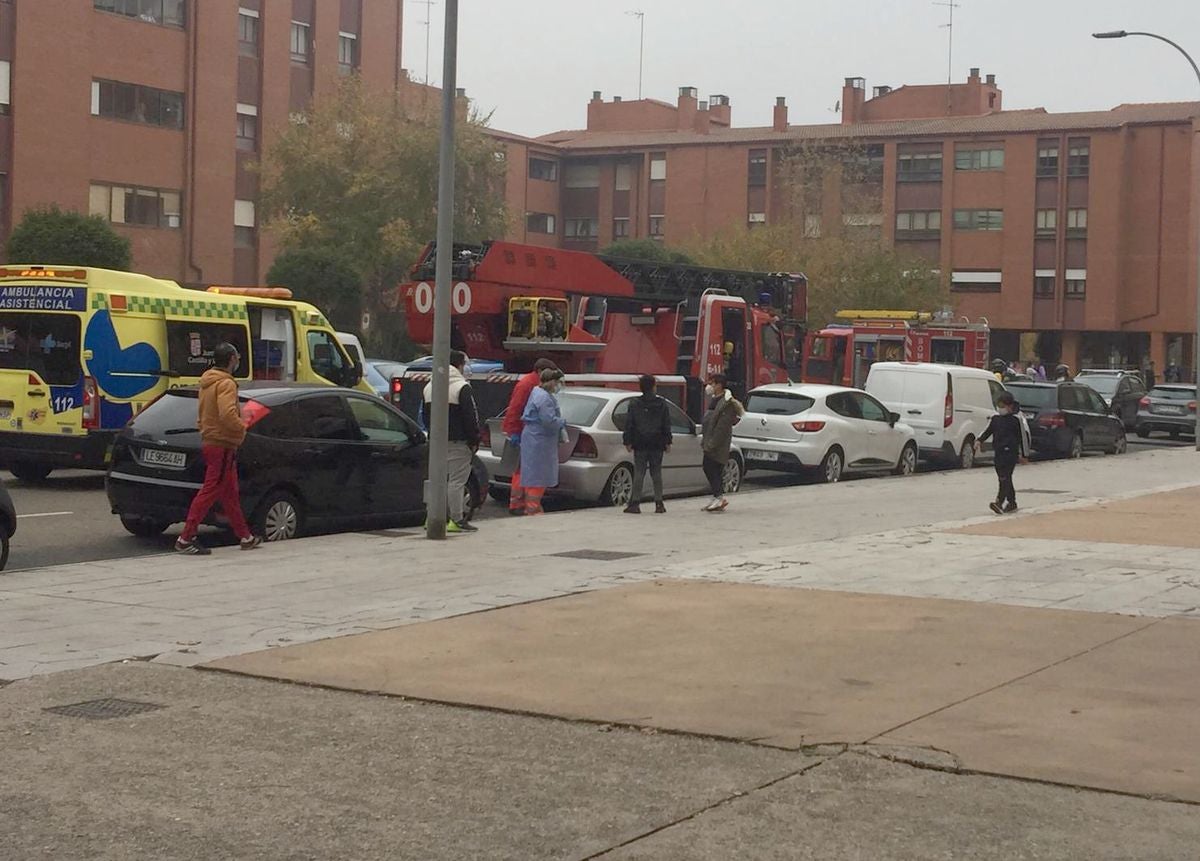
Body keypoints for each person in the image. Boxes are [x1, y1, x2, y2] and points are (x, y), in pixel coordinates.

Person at [176, 343, 262, 555]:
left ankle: (245, 536)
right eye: (238, 357)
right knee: (211, 489)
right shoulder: (226, 384)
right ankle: (185, 538)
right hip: (223, 442)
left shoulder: (208, 382)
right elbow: (227, 413)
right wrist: (242, 424)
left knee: (229, 493)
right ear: (232, 359)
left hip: (212, 440)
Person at [422, 350, 482, 534]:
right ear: (460, 365)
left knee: (437, 480)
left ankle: (431, 516)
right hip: (459, 442)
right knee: (457, 481)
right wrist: (474, 440)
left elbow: (425, 417)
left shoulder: (430, 387)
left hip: (436, 441)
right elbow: (471, 417)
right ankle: (457, 519)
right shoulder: (462, 387)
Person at [501, 358, 558, 515]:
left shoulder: (529, 383)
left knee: (521, 469)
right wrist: (514, 431)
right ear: (541, 372)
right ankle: (530, 507)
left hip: (523, 432)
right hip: (528, 434)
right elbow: (516, 407)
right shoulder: (531, 385)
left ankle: (516, 503)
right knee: (531, 471)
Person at [621, 374, 673, 514]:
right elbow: (666, 424)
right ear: (653, 386)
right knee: (656, 473)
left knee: (639, 472)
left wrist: (627, 440)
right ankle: (659, 503)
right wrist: (668, 441)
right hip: (657, 442)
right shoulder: (662, 404)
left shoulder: (634, 404)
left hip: (640, 442)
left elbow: (629, 424)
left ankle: (635, 503)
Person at [519, 368, 567, 516]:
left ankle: (532, 506)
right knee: (538, 475)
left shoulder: (538, 393)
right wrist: (562, 422)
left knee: (533, 474)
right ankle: (533, 508)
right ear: (553, 382)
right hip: (540, 440)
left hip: (535, 438)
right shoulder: (544, 398)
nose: (560, 386)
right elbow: (548, 420)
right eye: (559, 383)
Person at [975, 391, 1029, 515]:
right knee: (1004, 478)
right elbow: (987, 431)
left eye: (1003, 405)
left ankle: (999, 501)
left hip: (1010, 453)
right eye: (999, 405)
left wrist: (1024, 455)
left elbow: (1023, 438)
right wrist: (979, 440)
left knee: (1004, 477)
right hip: (998, 452)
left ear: (1010, 406)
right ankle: (1012, 502)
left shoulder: (1016, 420)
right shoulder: (995, 419)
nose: (1000, 408)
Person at [700, 373, 744, 512]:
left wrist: (711, 444)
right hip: (710, 440)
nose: (709, 386)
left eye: (712, 383)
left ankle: (719, 497)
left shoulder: (726, 403)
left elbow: (722, 428)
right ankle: (716, 497)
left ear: (719, 385)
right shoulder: (715, 399)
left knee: (710, 467)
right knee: (713, 469)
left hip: (717, 444)